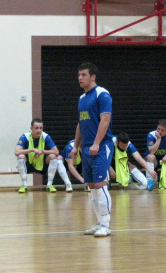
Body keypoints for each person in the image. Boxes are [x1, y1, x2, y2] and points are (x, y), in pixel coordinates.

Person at [69, 62, 114, 237]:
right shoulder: (82, 99)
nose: (80, 78)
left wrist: (96, 143)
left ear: (93, 77)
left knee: (101, 184)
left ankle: (106, 224)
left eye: (83, 75)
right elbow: (81, 123)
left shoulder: (102, 94)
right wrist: (75, 146)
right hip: (87, 147)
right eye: (79, 75)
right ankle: (99, 221)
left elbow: (105, 120)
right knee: (93, 186)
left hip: (102, 146)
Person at [14, 118, 73, 193]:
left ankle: (49, 184)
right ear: (31, 128)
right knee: (20, 156)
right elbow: (16, 152)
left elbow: (56, 151)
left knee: (53, 156)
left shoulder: (45, 136)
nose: (39, 130)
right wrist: (32, 150)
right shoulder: (25, 137)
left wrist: (43, 152)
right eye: (36, 128)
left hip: (42, 164)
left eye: (41, 128)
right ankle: (24, 185)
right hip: (29, 164)